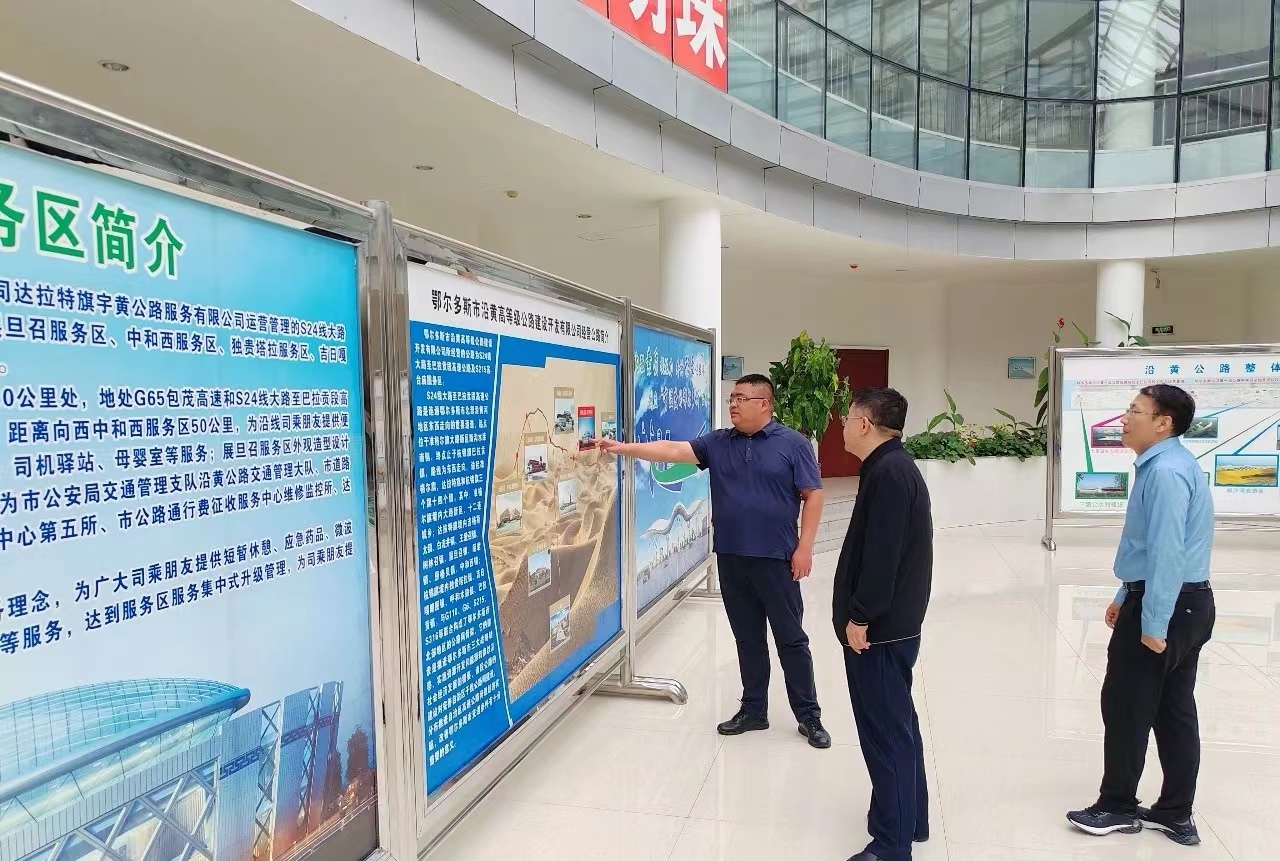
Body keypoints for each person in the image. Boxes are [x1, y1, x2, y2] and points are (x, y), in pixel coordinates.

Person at [596, 373, 831, 748]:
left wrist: (805, 548)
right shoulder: (718, 443)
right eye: (731, 398)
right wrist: (623, 448)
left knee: (791, 639)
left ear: (764, 404)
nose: (732, 404)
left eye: (741, 398)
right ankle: (753, 710)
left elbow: (813, 495)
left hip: (777, 558)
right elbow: (672, 451)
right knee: (747, 639)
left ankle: (809, 715)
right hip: (732, 557)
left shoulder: (793, 444)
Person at [1067, 384, 1215, 846]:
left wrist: (1152, 622)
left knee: (1126, 705)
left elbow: (1168, 552)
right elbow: (1155, 550)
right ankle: (1175, 812)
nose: (1125, 418)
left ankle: (1116, 806)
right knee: (1173, 709)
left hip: (1167, 604)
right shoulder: (1172, 465)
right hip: (1185, 601)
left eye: (1135, 410)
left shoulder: (1165, 472)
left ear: (1163, 423)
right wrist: (1124, 592)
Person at [832, 387, 932, 861]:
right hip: (893, 626)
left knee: (885, 734)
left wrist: (860, 616)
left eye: (847, 417)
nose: (842, 425)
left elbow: (882, 557)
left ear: (865, 423)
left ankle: (892, 845)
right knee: (898, 725)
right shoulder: (890, 466)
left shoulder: (890, 473)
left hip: (881, 631)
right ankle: (911, 820)